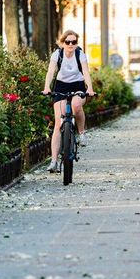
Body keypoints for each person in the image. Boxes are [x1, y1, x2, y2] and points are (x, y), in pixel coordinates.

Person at [42, 30, 95, 173]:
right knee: (58, 123)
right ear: (62, 43)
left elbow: (86, 72)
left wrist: (90, 88)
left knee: (76, 105)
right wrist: (47, 87)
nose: (71, 44)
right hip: (61, 86)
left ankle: (81, 133)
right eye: (68, 42)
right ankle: (54, 161)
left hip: (78, 85)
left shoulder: (80, 54)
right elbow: (51, 72)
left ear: (77, 43)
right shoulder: (57, 54)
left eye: (74, 42)